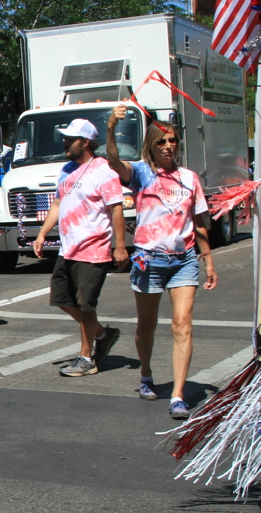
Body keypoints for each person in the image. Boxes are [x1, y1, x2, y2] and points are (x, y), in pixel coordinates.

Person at [106, 105, 217, 419]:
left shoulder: (189, 179)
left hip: (184, 260)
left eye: (173, 141)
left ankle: (178, 395)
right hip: (148, 259)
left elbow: (200, 222)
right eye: (162, 142)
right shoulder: (142, 172)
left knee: (183, 325)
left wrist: (208, 262)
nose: (168, 146)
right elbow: (113, 161)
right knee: (146, 327)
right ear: (151, 145)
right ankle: (145, 373)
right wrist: (112, 127)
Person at [33, 118, 127, 376]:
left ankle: (86, 358)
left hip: (94, 247)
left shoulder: (104, 171)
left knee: (86, 305)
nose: (64, 141)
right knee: (62, 299)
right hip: (68, 247)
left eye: (70, 138)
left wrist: (120, 246)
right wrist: (42, 233)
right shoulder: (66, 170)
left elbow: (116, 208)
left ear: (85, 142)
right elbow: (57, 204)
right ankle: (103, 334)